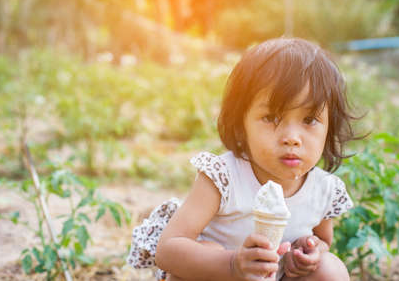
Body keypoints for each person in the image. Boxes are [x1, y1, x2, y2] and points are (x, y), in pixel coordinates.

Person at [127, 38, 360, 281]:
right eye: (271, 118)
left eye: (309, 120)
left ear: (329, 128)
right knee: (207, 251)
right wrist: (231, 264)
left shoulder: (323, 189)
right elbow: (168, 250)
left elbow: (323, 240)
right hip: (217, 275)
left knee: (329, 269)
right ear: (241, 125)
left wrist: (309, 250)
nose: (292, 138)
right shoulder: (223, 178)